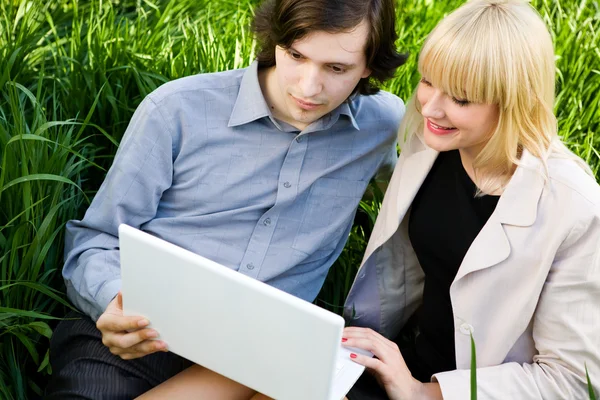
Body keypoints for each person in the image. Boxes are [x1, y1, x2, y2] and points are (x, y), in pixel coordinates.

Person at [44, 0, 408, 398]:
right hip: (143, 332)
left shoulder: (380, 125)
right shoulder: (176, 110)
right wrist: (113, 304)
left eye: (336, 68)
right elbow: (95, 239)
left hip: (264, 349)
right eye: (296, 55)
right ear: (276, 41)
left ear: (370, 66)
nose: (308, 87)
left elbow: (403, 193)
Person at [338, 0, 600, 399]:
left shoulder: (574, 207)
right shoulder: (431, 146)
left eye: (460, 99)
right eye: (428, 81)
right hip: (405, 364)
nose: (431, 107)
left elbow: (572, 380)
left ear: (515, 102)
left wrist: (421, 393)